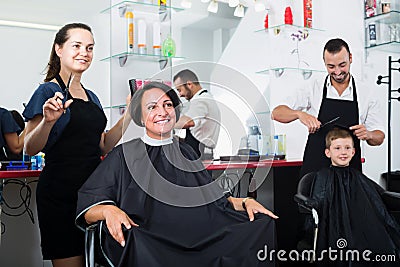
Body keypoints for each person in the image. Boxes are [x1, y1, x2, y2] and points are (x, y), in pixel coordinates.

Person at [76, 82, 278, 267]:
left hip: (198, 235)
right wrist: (108, 211)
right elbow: (88, 206)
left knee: (262, 224)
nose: (162, 112)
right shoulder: (124, 155)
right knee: (141, 245)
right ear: (140, 116)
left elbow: (214, 200)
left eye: (168, 105)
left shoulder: (186, 152)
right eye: (152, 107)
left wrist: (244, 202)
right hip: (151, 240)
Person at [22, 23, 129, 267]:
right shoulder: (47, 91)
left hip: (94, 194)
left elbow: (102, 146)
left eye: (90, 47)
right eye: (77, 46)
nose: (85, 52)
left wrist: (130, 115)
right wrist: (48, 122)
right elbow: (29, 147)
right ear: (59, 49)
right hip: (60, 194)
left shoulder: (92, 97)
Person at [271, 38, 385, 177]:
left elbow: (379, 137)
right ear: (324, 63)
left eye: (342, 65)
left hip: (349, 173)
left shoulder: (366, 92)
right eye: (331, 67)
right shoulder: (313, 87)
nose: (337, 72)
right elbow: (276, 113)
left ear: (350, 58)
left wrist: (369, 134)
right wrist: (300, 114)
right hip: (315, 169)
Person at [300, 127, 400, 266]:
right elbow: (319, 201)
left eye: (347, 148)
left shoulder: (358, 176)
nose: (343, 152)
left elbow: (375, 195)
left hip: (361, 224)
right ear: (328, 152)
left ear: (353, 152)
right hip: (334, 226)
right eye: (337, 148)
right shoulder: (323, 176)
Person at [173, 69, 221, 160]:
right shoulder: (206, 97)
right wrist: (180, 140)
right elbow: (199, 133)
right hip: (202, 153)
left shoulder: (200, 100)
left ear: (189, 84)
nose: (180, 94)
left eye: (180, 90)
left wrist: (166, 124)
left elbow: (188, 122)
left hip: (199, 155)